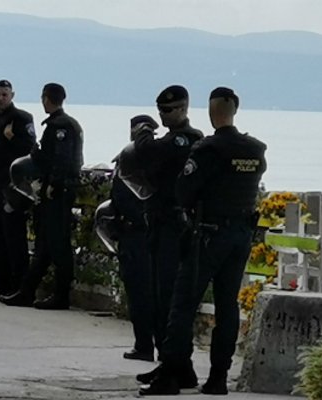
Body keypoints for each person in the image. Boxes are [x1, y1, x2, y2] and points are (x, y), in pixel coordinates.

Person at [139, 87, 267, 396]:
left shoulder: (209, 149)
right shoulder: (255, 149)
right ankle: (218, 378)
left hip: (208, 235)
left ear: (211, 113)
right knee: (227, 306)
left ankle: (171, 375)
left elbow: (185, 190)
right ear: (234, 110)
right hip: (241, 235)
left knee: (182, 305)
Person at [131, 85, 203, 365]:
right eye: (160, 110)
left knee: (171, 296)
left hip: (176, 225)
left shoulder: (186, 139)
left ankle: (175, 362)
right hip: (160, 222)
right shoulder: (172, 138)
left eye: (169, 110)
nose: (163, 115)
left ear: (184, 109)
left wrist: (144, 131)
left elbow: (149, 152)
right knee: (158, 296)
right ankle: (166, 360)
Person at [0, 83, 83, 310]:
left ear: (46, 99)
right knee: (45, 244)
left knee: (58, 245)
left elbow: (61, 160)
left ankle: (60, 296)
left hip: (57, 189)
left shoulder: (60, 126)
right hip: (55, 188)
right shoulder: (65, 124)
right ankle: (27, 291)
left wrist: (53, 184)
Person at [0, 80, 37, 300]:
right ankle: (0, 282)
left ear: (12, 95)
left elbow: (30, 149)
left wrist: (12, 138)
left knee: (14, 237)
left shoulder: (21, 118)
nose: (1, 98)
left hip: (12, 184)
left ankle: (18, 285)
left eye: (5, 94)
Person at [111, 115, 159, 361]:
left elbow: (122, 199)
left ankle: (144, 346)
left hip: (135, 233)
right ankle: (159, 347)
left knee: (139, 293)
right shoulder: (161, 160)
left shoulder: (129, 159)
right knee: (157, 292)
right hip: (155, 234)